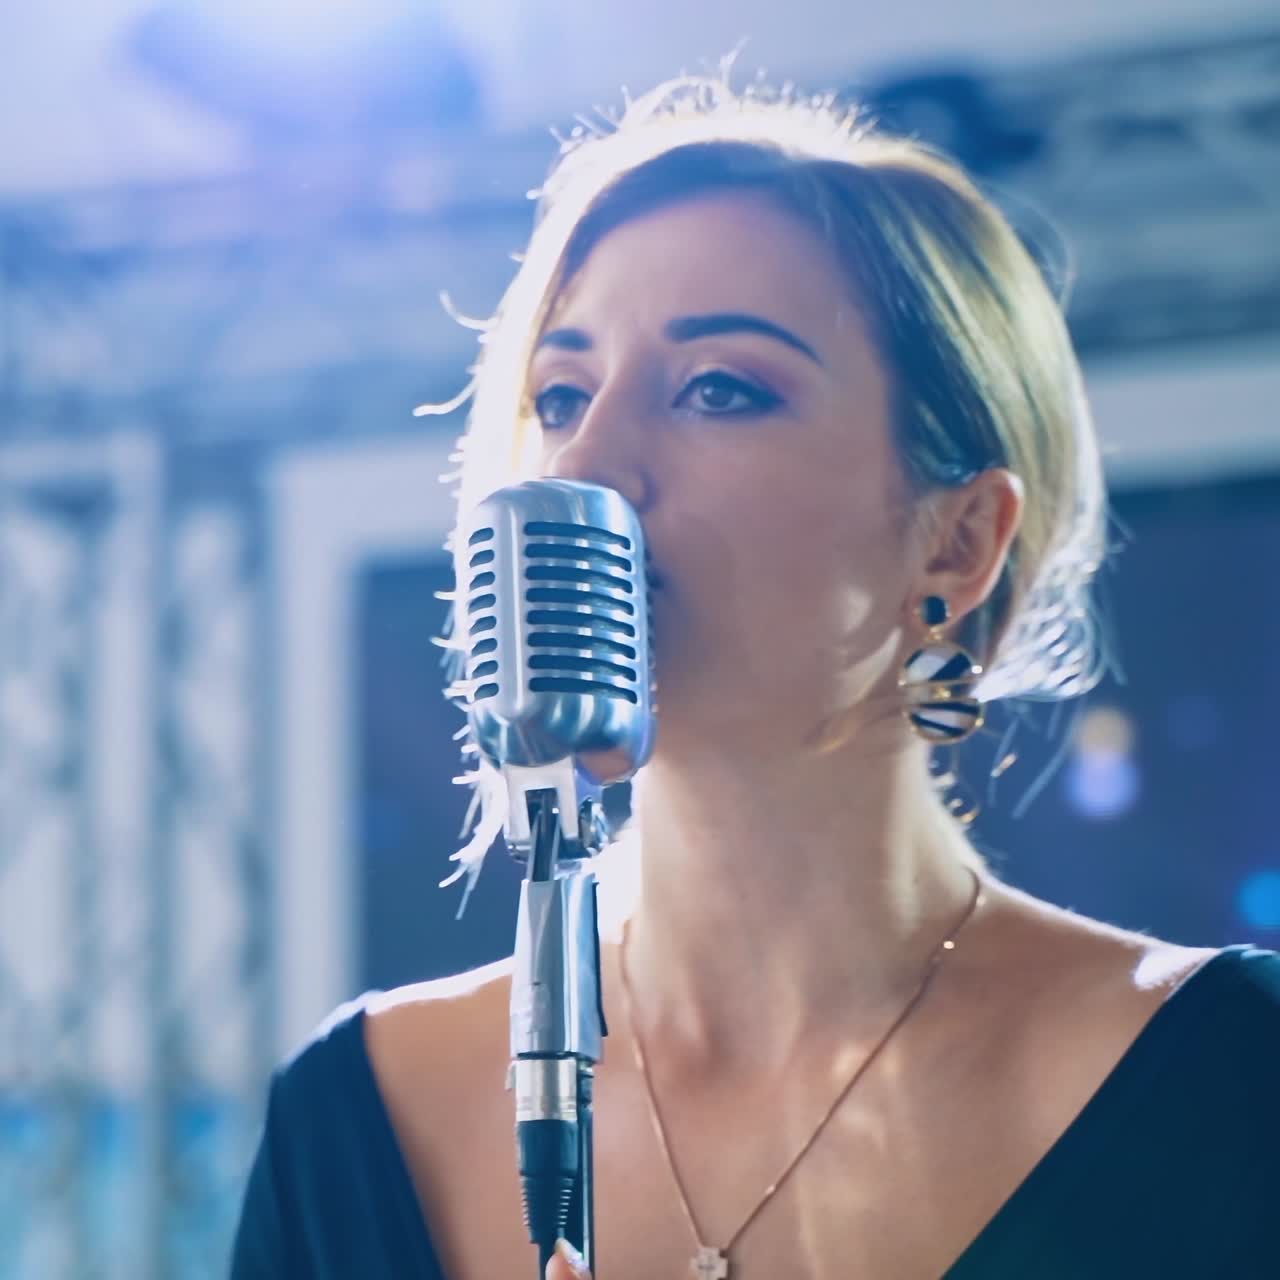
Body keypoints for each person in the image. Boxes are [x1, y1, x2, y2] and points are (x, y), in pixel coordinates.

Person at [230, 74, 1280, 1279]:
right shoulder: (358, 1116)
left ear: (954, 542)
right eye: (560, 395)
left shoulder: (1226, 1080)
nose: (588, 464)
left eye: (719, 387)